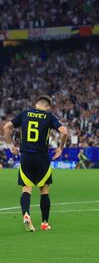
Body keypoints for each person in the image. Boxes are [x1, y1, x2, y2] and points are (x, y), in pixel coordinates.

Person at [3, 95, 68, 232]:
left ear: (36, 104)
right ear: (48, 107)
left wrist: (10, 146)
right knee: (44, 190)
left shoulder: (25, 113)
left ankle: (26, 215)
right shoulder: (49, 116)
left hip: (26, 156)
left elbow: (6, 127)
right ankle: (44, 223)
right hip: (42, 157)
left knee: (26, 188)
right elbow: (64, 132)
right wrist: (60, 148)